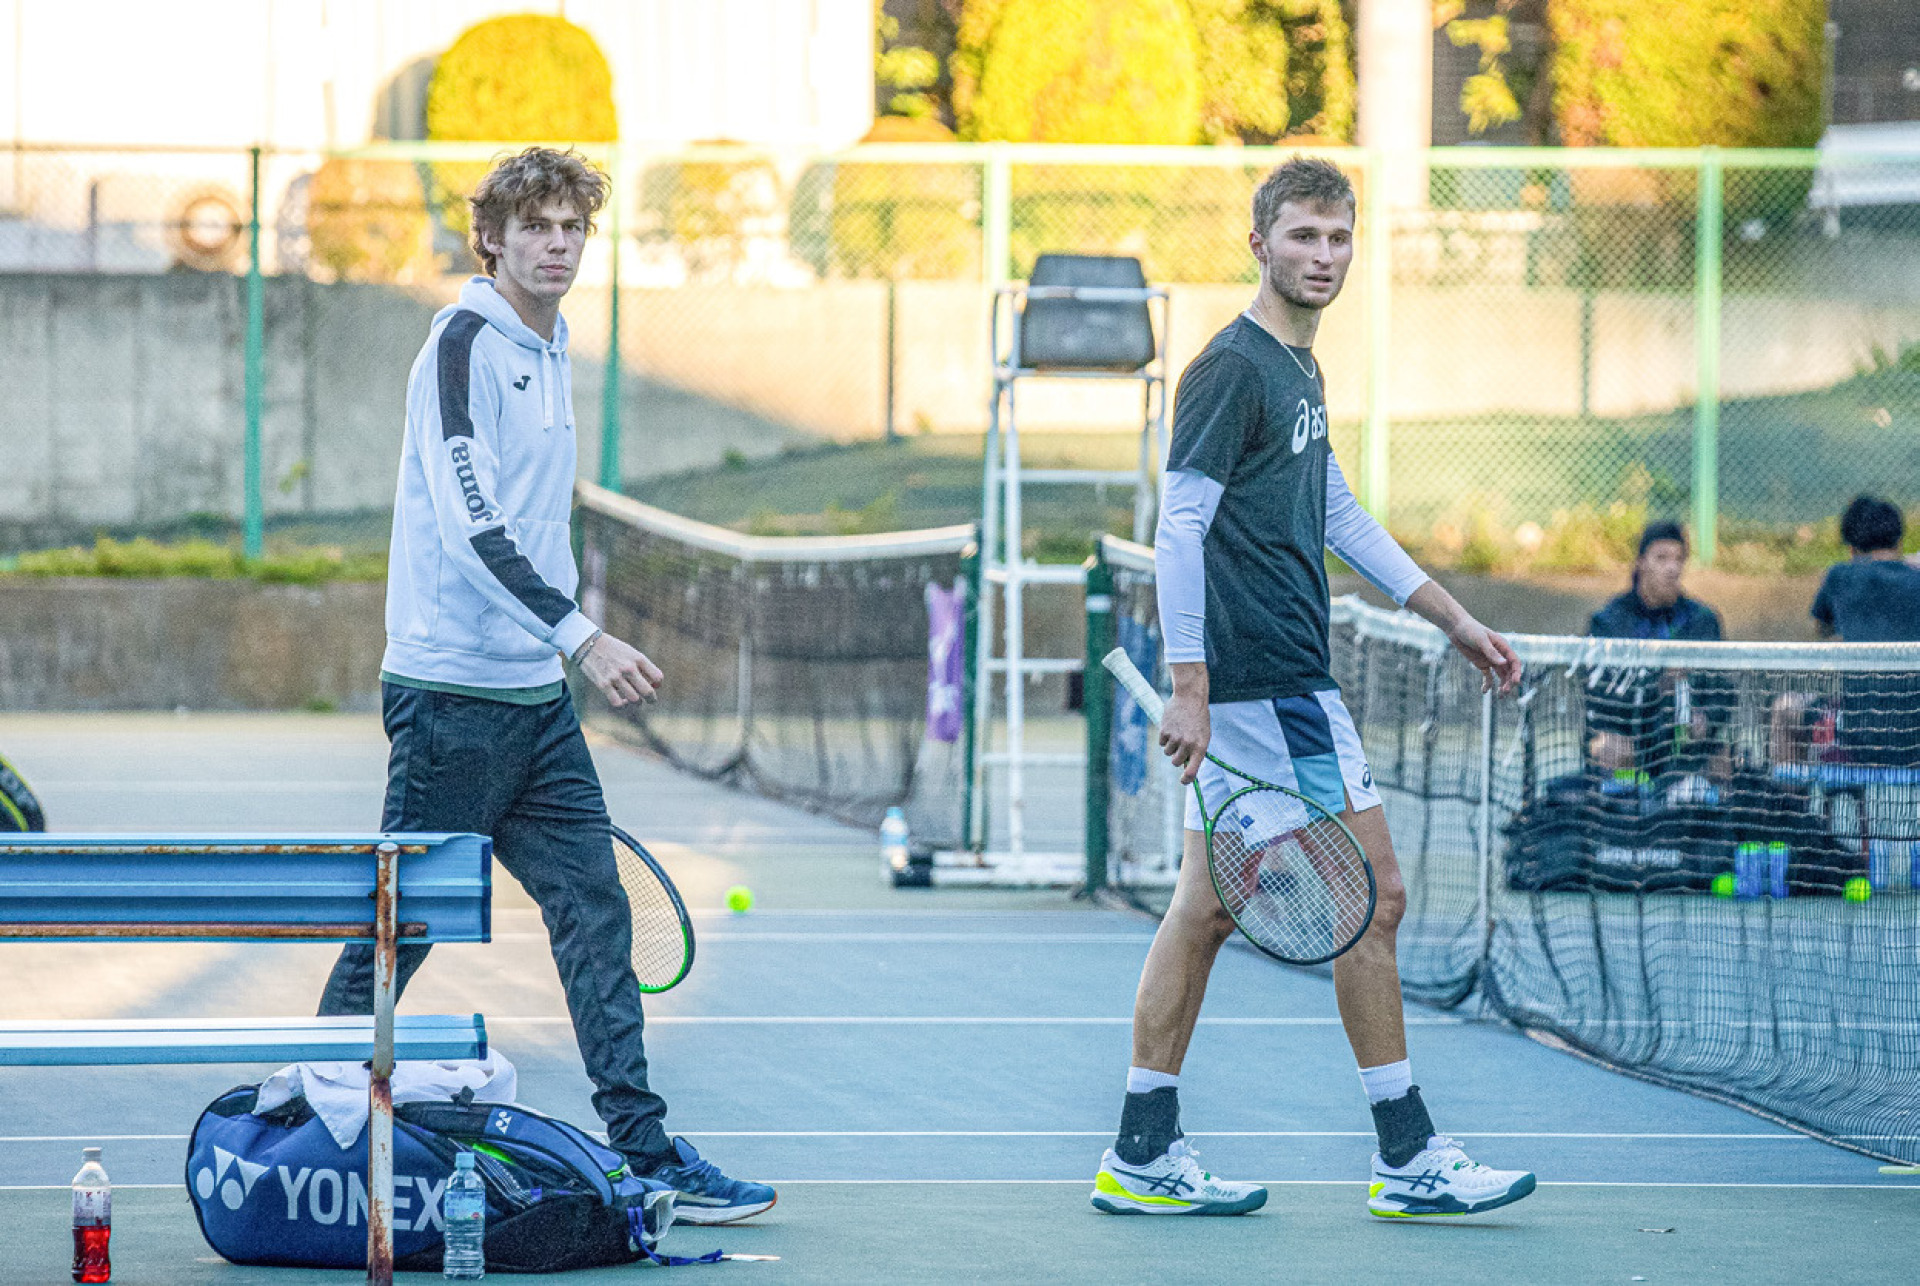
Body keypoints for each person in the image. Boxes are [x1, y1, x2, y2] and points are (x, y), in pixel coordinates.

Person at [315, 147, 774, 1223]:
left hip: (534, 704)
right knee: (404, 928)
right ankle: (317, 1107)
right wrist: (584, 636)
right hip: (453, 698)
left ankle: (647, 1150)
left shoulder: (552, 343)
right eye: (537, 227)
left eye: (573, 227)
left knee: (594, 910)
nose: (558, 244)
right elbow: (476, 528)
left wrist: (558, 652)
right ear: (494, 238)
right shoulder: (464, 345)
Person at [1090, 158, 1534, 1220]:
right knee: (1372, 896)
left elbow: (1335, 511)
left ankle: (1142, 1149)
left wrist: (1453, 616)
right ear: (1259, 243)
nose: (1322, 256)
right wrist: (1189, 683)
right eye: (1303, 236)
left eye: (1338, 239)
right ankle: (1409, 1153)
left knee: (1203, 909)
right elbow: (1179, 527)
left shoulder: (1298, 372)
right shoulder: (1233, 369)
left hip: (1278, 679)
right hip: (1265, 686)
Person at [1773, 496, 1920, 767]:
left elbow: (1822, 630)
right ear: (1899, 541)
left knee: (1785, 709)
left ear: (1851, 549)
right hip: (1916, 738)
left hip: (1856, 734)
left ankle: (1793, 806)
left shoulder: (1839, 576)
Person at [1584, 521, 1727, 779]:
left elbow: (1724, 690)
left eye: (1679, 559)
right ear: (1641, 563)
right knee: (1609, 749)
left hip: (1690, 746)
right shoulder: (1609, 621)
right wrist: (1657, 685)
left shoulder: (1703, 620)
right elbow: (1598, 695)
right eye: (1662, 558)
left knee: (1726, 762)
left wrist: (1707, 719)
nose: (1672, 568)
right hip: (1629, 737)